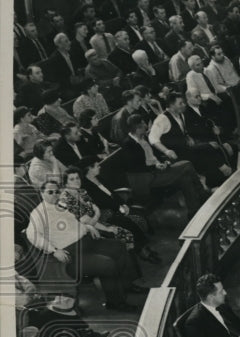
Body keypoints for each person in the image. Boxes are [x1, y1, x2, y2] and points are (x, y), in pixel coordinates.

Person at [26, 180, 141, 311]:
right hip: (72, 253)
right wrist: (53, 250)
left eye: (57, 191)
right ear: (42, 193)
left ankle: (126, 286)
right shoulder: (38, 213)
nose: (54, 195)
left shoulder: (61, 205)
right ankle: (115, 302)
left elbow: (72, 224)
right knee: (107, 264)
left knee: (118, 246)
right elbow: (32, 235)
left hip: (86, 242)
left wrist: (87, 227)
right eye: (50, 192)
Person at [116, 113, 208, 218]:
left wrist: (164, 162)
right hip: (146, 178)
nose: (146, 126)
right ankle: (203, 194)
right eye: (144, 124)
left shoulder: (143, 137)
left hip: (156, 171)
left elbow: (155, 155)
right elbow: (135, 167)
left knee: (185, 178)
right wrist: (156, 166)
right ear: (137, 129)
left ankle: (193, 211)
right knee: (187, 164)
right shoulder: (128, 144)